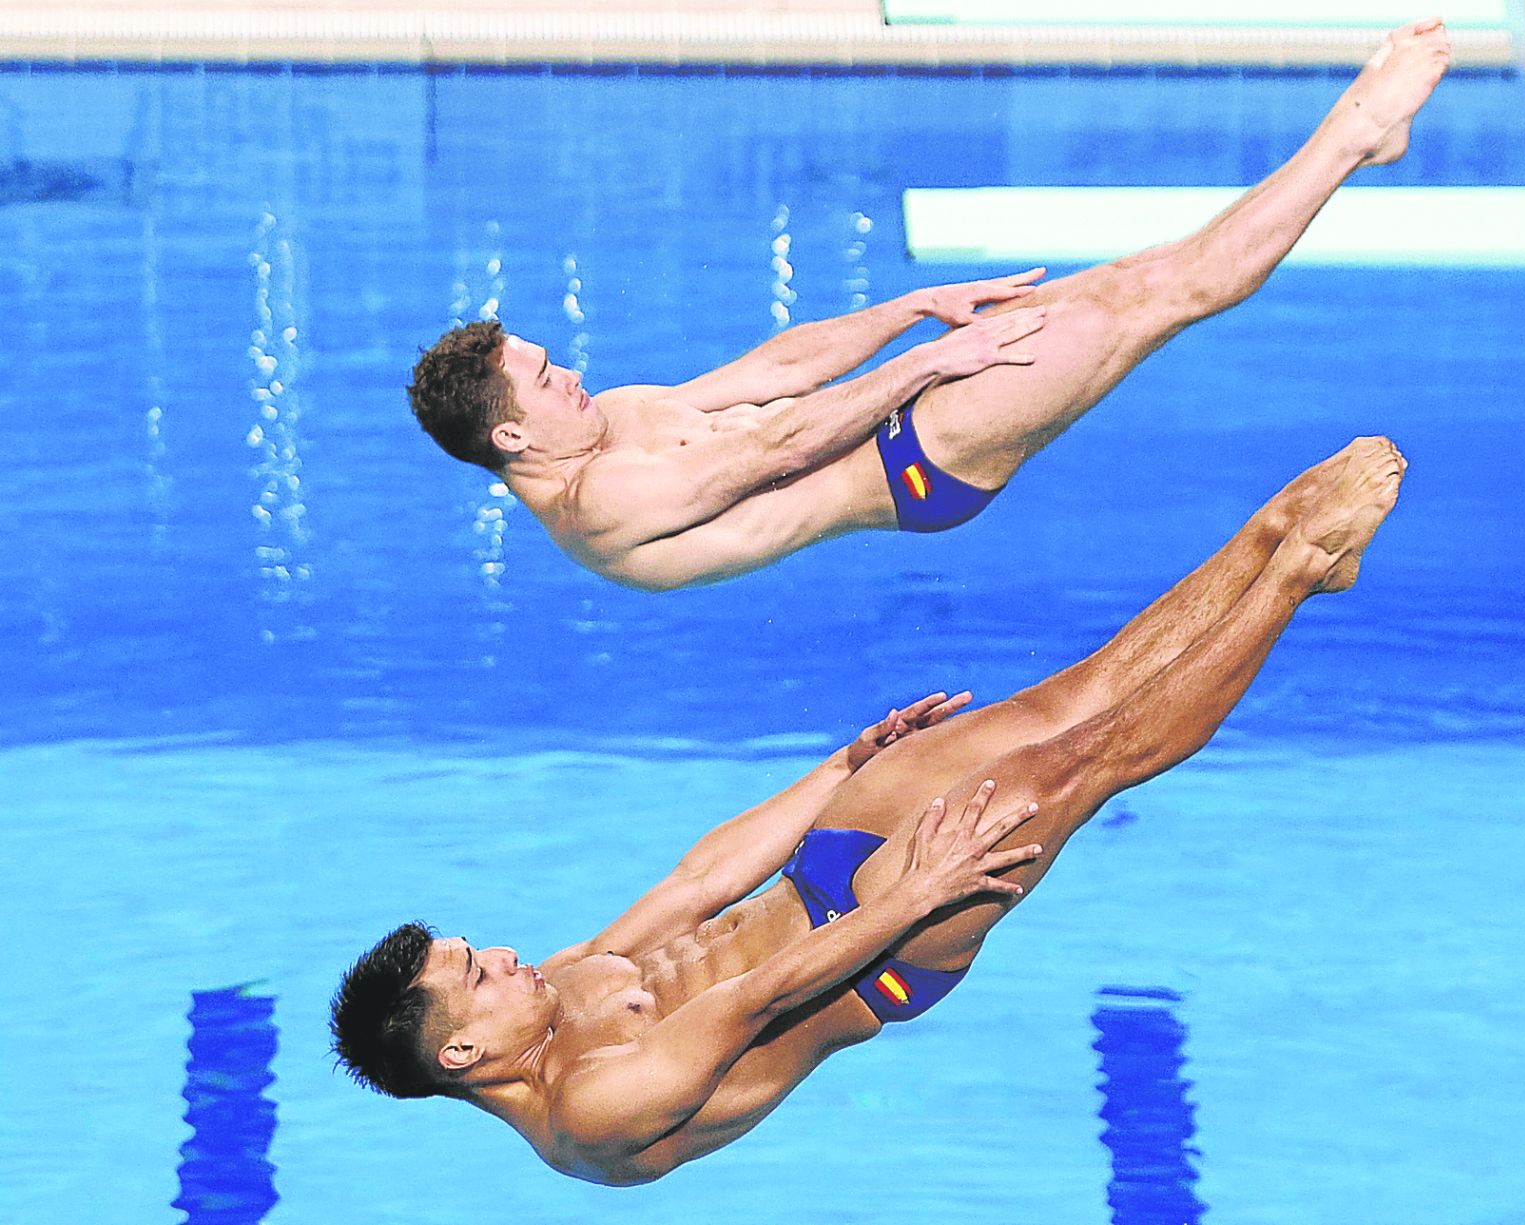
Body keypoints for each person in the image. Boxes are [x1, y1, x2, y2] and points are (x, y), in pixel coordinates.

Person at [330, 436, 1406, 1185]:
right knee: (1088, 758)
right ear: (464, 1054)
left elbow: (700, 885)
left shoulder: (561, 985)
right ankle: (1298, 576)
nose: (506, 955)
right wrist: (928, 888)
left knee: (1065, 696)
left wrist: (834, 772)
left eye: (479, 949)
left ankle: (1270, 533)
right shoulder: (592, 1113)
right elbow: (762, 994)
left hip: (819, 873)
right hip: (875, 947)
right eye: (478, 975)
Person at [404, 22, 1450, 591]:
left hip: (907, 412)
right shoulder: (601, 508)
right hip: (919, 459)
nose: (570, 372)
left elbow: (776, 374)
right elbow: (774, 454)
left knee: (1142, 278)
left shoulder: (605, 424)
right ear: (510, 433)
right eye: (545, 379)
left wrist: (916, 307)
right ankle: (1355, 133)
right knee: (1161, 298)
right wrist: (931, 366)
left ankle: (1357, 146)